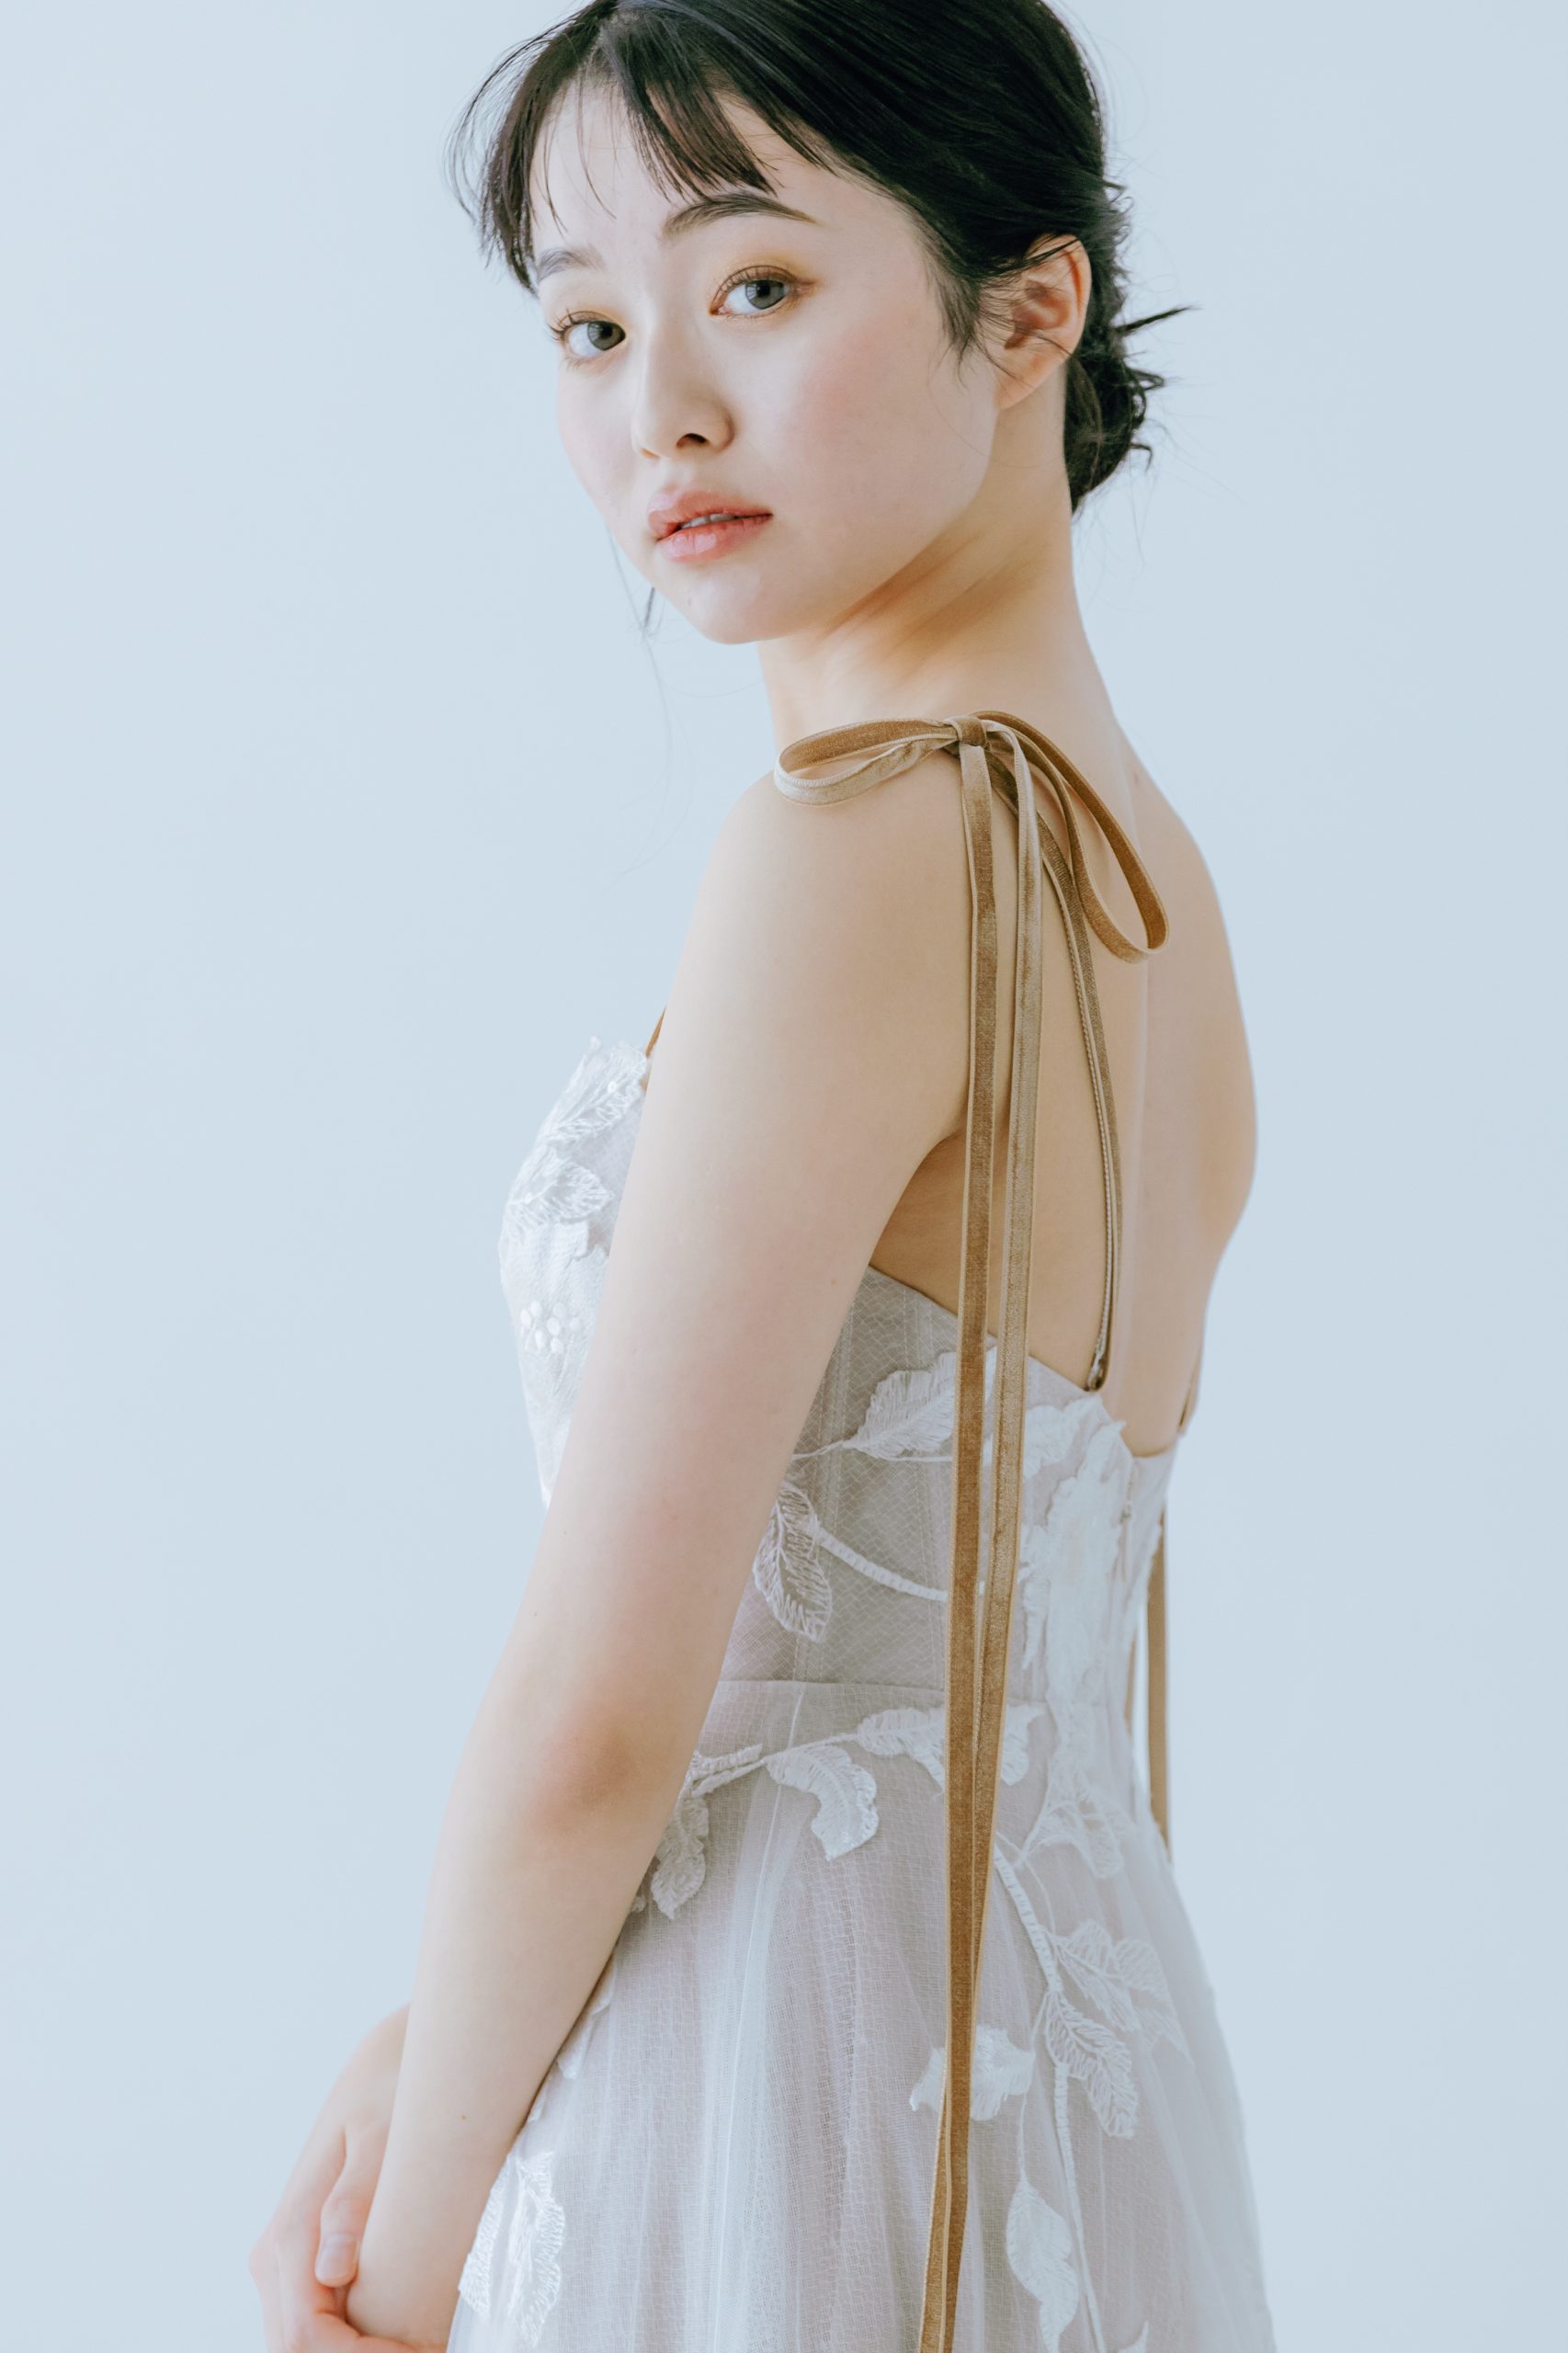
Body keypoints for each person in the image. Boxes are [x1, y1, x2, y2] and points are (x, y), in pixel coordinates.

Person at [249, 3, 1275, 2347]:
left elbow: (605, 1710)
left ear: (1027, 308)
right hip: (1050, 2051)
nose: (662, 412)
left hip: (779, 2081)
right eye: (590, 328)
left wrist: (399, 2278)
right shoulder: (1152, 883)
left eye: (758, 287)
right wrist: (457, 2027)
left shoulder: (860, 850)